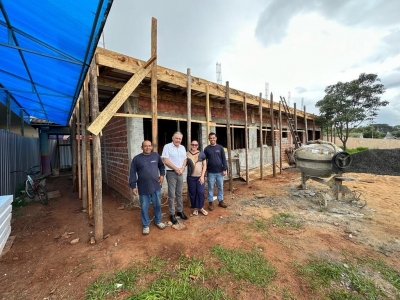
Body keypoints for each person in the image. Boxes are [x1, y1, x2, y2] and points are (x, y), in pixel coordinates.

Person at [129, 140, 166, 235]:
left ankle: (158, 221)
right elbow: (132, 173)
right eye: (145, 146)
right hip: (143, 188)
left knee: (157, 205)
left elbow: (161, 166)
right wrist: (133, 186)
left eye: (149, 146)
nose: (148, 148)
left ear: (152, 147)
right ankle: (145, 225)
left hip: (156, 186)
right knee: (144, 207)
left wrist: (162, 175)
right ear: (142, 147)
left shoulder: (156, 156)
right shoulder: (137, 159)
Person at [161, 132, 188, 224]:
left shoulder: (182, 148)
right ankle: (172, 213)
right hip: (171, 173)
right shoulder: (167, 147)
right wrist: (177, 169)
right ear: (172, 138)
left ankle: (180, 211)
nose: (178, 140)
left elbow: (185, 159)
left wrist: (182, 168)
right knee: (172, 194)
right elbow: (166, 160)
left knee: (179, 193)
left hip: (180, 173)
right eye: (176, 138)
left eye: (180, 139)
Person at [204, 132, 228, 210]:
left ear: (216, 138)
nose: (212, 139)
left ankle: (221, 201)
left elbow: (224, 159)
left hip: (220, 172)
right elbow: (204, 161)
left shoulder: (220, 148)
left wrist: (224, 169)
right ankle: (210, 203)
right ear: (209, 139)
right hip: (211, 172)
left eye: (213, 138)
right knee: (210, 187)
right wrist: (205, 171)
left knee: (220, 186)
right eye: (211, 138)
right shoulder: (206, 149)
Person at [186, 140, 208, 216]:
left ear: (198, 146)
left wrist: (202, 176)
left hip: (199, 177)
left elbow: (205, 165)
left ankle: (201, 207)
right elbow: (184, 163)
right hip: (190, 177)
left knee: (200, 192)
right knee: (192, 193)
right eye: (193, 145)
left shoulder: (202, 154)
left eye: (196, 145)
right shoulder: (187, 154)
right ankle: (195, 208)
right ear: (190, 145)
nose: (194, 146)